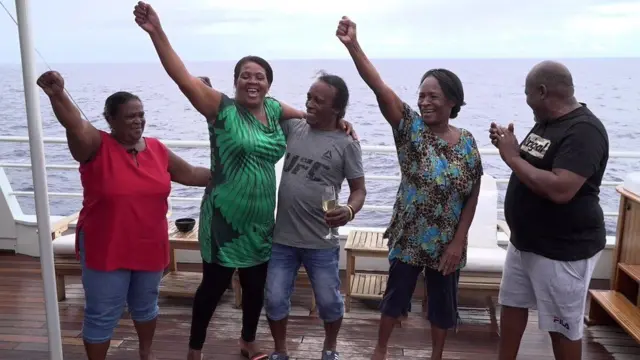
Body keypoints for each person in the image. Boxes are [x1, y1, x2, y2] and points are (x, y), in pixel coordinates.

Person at [133, 3, 356, 360]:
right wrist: (157, 32)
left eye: (260, 76)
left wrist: (342, 123)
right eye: (245, 75)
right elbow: (181, 77)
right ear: (235, 81)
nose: (253, 81)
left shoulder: (273, 109)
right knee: (213, 287)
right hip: (224, 217)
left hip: (261, 220)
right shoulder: (219, 108)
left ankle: (248, 341)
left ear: (268, 84)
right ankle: (195, 350)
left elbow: (313, 117)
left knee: (255, 288)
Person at [36, 71, 211, 360]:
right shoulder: (95, 146)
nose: (138, 120)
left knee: (146, 307)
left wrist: (228, 175)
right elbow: (74, 124)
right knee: (102, 313)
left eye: (141, 114)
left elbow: (191, 174)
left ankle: (146, 353)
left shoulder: (157, 149)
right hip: (106, 247)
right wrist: (57, 94)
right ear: (111, 120)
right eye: (130, 116)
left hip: (149, 245)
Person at [336, 16, 483, 360]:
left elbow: (472, 192)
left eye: (433, 96)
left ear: (452, 102)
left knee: (443, 305)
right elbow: (379, 87)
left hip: (448, 242)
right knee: (395, 297)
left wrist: (458, 241)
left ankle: (437, 355)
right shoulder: (410, 129)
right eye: (421, 96)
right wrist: (353, 46)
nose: (424, 102)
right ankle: (381, 350)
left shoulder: (468, 143)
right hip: (410, 235)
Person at [490, 61, 609, 360]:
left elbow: (561, 189)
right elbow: (533, 164)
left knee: (562, 327)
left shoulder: (585, 131)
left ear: (543, 92)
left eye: (528, 93)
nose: (526, 100)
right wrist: (511, 145)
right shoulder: (546, 122)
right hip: (525, 243)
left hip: (563, 250)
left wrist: (511, 156)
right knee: (513, 305)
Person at [264, 73, 367, 360]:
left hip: (321, 242)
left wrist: (348, 210)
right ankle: (280, 350)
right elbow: (267, 103)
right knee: (273, 299)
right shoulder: (295, 127)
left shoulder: (347, 143)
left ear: (336, 110)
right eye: (308, 96)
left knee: (329, 302)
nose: (309, 103)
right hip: (282, 238)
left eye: (318, 101)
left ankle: (330, 348)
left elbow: (359, 190)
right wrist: (303, 111)